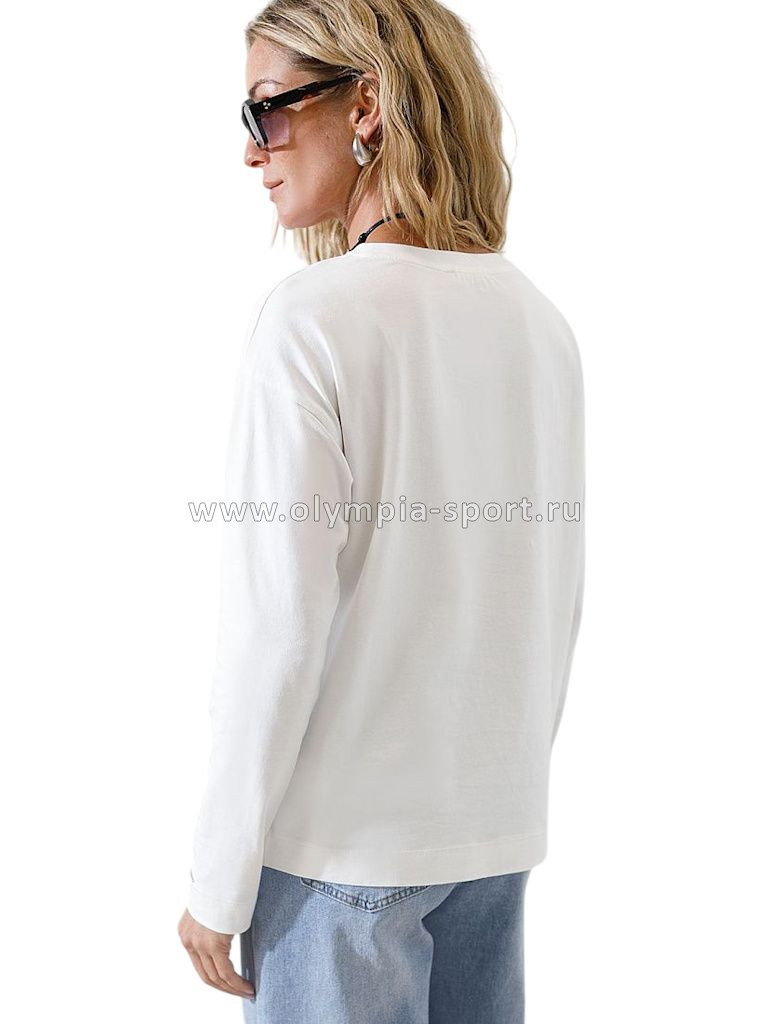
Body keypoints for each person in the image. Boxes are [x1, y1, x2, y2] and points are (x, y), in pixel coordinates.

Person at [177, 1, 585, 1021]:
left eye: (267, 109)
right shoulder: (539, 323)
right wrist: (494, 805)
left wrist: (217, 879)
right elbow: (553, 596)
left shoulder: (313, 321)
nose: (252, 150)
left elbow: (276, 627)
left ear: (365, 104)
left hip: (341, 860)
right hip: (489, 843)